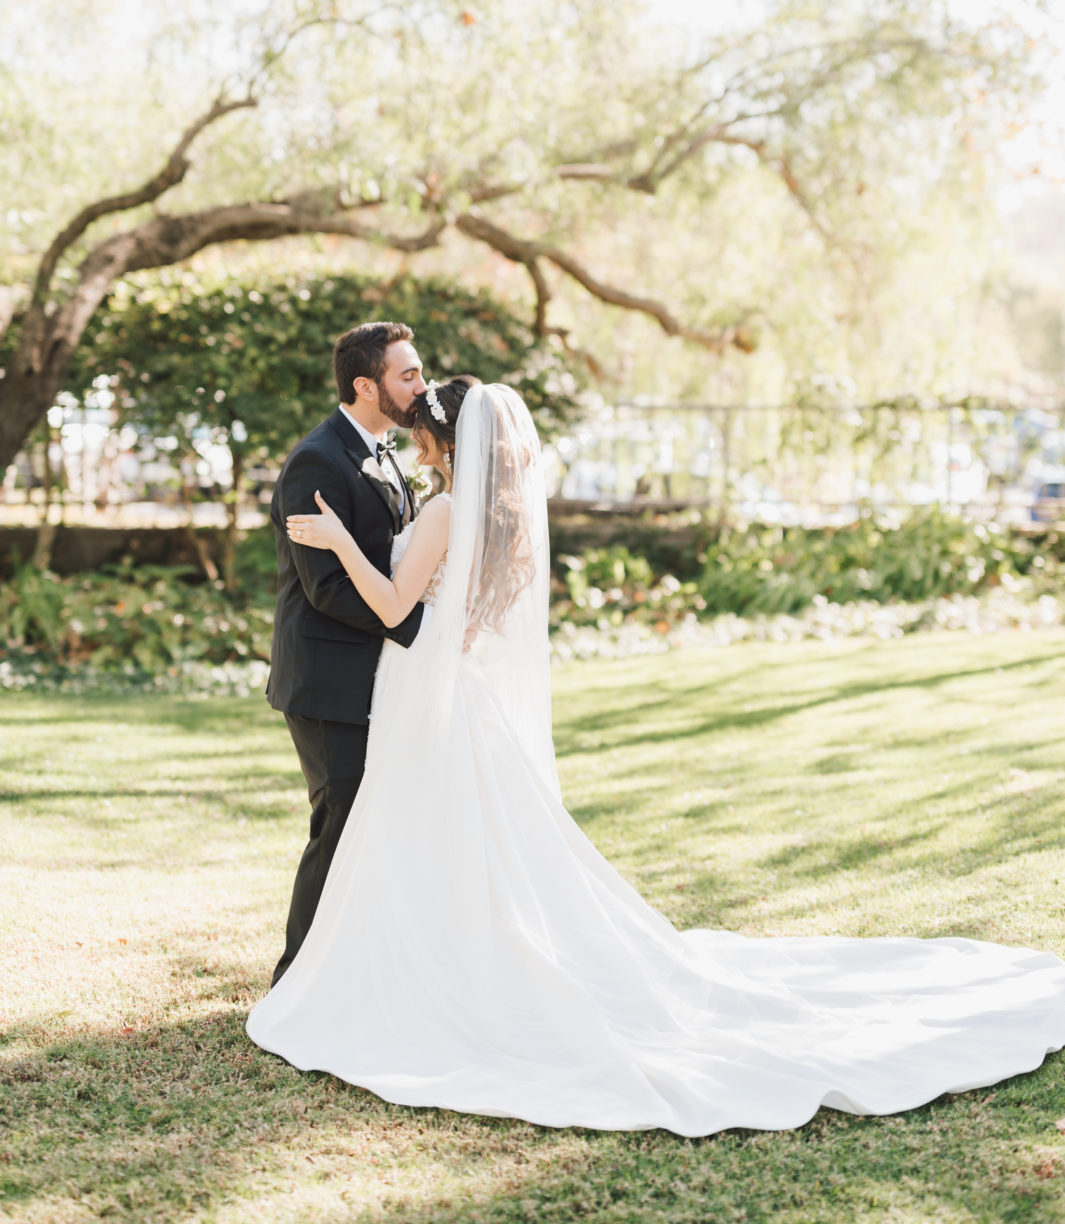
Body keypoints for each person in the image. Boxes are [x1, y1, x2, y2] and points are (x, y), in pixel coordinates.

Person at [248, 379, 1065, 1136]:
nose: (415, 439)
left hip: (428, 693)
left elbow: (394, 606)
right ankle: (444, 963)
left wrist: (339, 541)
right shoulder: (497, 515)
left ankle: (425, 977)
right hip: (463, 700)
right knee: (470, 843)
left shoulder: (441, 515)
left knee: (423, 837)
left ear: (441, 440)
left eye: (423, 431)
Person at [264, 321, 427, 987]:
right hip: (326, 680)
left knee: (371, 830)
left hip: (376, 680)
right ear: (366, 385)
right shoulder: (319, 460)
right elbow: (325, 587)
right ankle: (295, 982)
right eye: (407, 374)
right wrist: (411, 620)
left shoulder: (386, 452)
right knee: (339, 829)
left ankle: (354, 971)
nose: (420, 384)